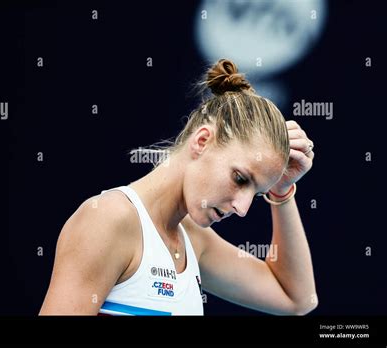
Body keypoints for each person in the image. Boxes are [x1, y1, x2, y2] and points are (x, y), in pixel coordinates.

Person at [39, 59, 317, 316]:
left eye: (255, 194)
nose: (242, 209)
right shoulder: (108, 220)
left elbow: (296, 298)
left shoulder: (193, 239)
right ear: (202, 141)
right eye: (240, 179)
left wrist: (281, 191)